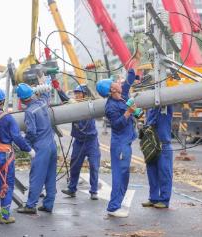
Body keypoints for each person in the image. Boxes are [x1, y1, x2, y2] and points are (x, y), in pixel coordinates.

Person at [0, 87, 35, 224]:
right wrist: (29, 150)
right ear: (3, 101)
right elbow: (16, 137)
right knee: (6, 184)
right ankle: (5, 216)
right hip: (5, 157)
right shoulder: (8, 118)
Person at [96, 69, 138, 218]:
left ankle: (117, 204)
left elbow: (129, 80)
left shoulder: (121, 96)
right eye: (116, 83)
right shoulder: (111, 107)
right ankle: (113, 207)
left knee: (124, 175)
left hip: (126, 143)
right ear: (112, 90)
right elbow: (117, 125)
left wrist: (134, 62)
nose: (119, 83)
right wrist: (128, 112)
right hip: (120, 145)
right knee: (119, 176)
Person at [16, 83, 57, 214]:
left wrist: (25, 144)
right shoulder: (42, 102)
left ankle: (30, 206)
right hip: (51, 144)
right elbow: (46, 92)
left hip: (41, 147)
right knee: (50, 176)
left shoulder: (29, 111)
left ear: (21, 99)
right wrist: (43, 82)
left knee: (36, 176)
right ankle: (48, 204)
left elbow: (32, 132)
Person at [58, 85, 101, 200]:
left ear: (85, 94)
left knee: (94, 165)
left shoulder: (90, 104)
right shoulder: (73, 105)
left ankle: (94, 191)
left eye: (79, 93)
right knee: (74, 165)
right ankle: (72, 189)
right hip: (79, 141)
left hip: (91, 141)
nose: (76, 95)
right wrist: (57, 88)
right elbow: (65, 98)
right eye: (75, 93)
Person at [142, 105, 173, 209]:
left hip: (163, 145)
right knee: (152, 173)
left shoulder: (166, 106)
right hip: (151, 144)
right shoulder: (150, 108)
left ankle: (164, 200)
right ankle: (153, 198)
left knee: (164, 173)